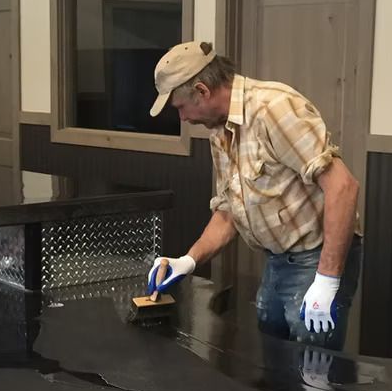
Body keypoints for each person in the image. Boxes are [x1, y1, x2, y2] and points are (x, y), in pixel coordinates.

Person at [146, 42, 363, 350]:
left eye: (181, 107)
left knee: (313, 373)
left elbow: (343, 187)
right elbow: (228, 213)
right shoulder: (220, 132)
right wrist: (188, 260)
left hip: (315, 257)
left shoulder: (274, 109)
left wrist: (327, 280)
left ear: (202, 90)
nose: (182, 118)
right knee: (275, 362)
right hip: (278, 261)